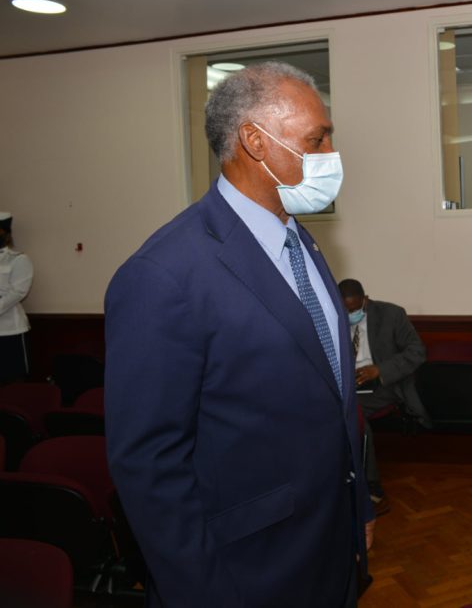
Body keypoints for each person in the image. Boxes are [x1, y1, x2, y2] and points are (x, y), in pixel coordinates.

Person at [105, 61, 372, 607]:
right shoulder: (163, 273)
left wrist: (358, 506)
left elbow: (332, 399)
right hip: (244, 572)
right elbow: (149, 463)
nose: (330, 154)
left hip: (328, 545)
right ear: (255, 141)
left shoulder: (302, 242)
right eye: (316, 139)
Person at [339, 278, 429, 514]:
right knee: (335, 411)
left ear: (365, 300)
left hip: (383, 384)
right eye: (345, 310)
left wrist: (379, 370)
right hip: (347, 387)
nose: (350, 315)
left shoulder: (392, 315)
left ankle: (371, 486)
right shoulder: (332, 318)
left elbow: (417, 352)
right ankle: (340, 480)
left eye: (355, 309)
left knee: (353, 413)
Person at [0, 212, 33, 384]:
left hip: (10, 331)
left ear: (5, 233)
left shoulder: (19, 260)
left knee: (13, 382)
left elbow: (18, 292)